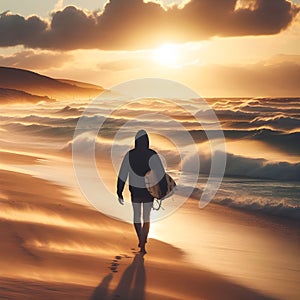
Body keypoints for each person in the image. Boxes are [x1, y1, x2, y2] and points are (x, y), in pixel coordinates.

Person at [117, 130, 167, 254]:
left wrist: (119, 190)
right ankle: (143, 242)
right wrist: (163, 190)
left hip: (135, 190)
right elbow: (161, 174)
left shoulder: (130, 155)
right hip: (148, 191)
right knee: (146, 217)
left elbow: (123, 173)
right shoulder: (152, 154)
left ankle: (141, 238)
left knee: (136, 215)